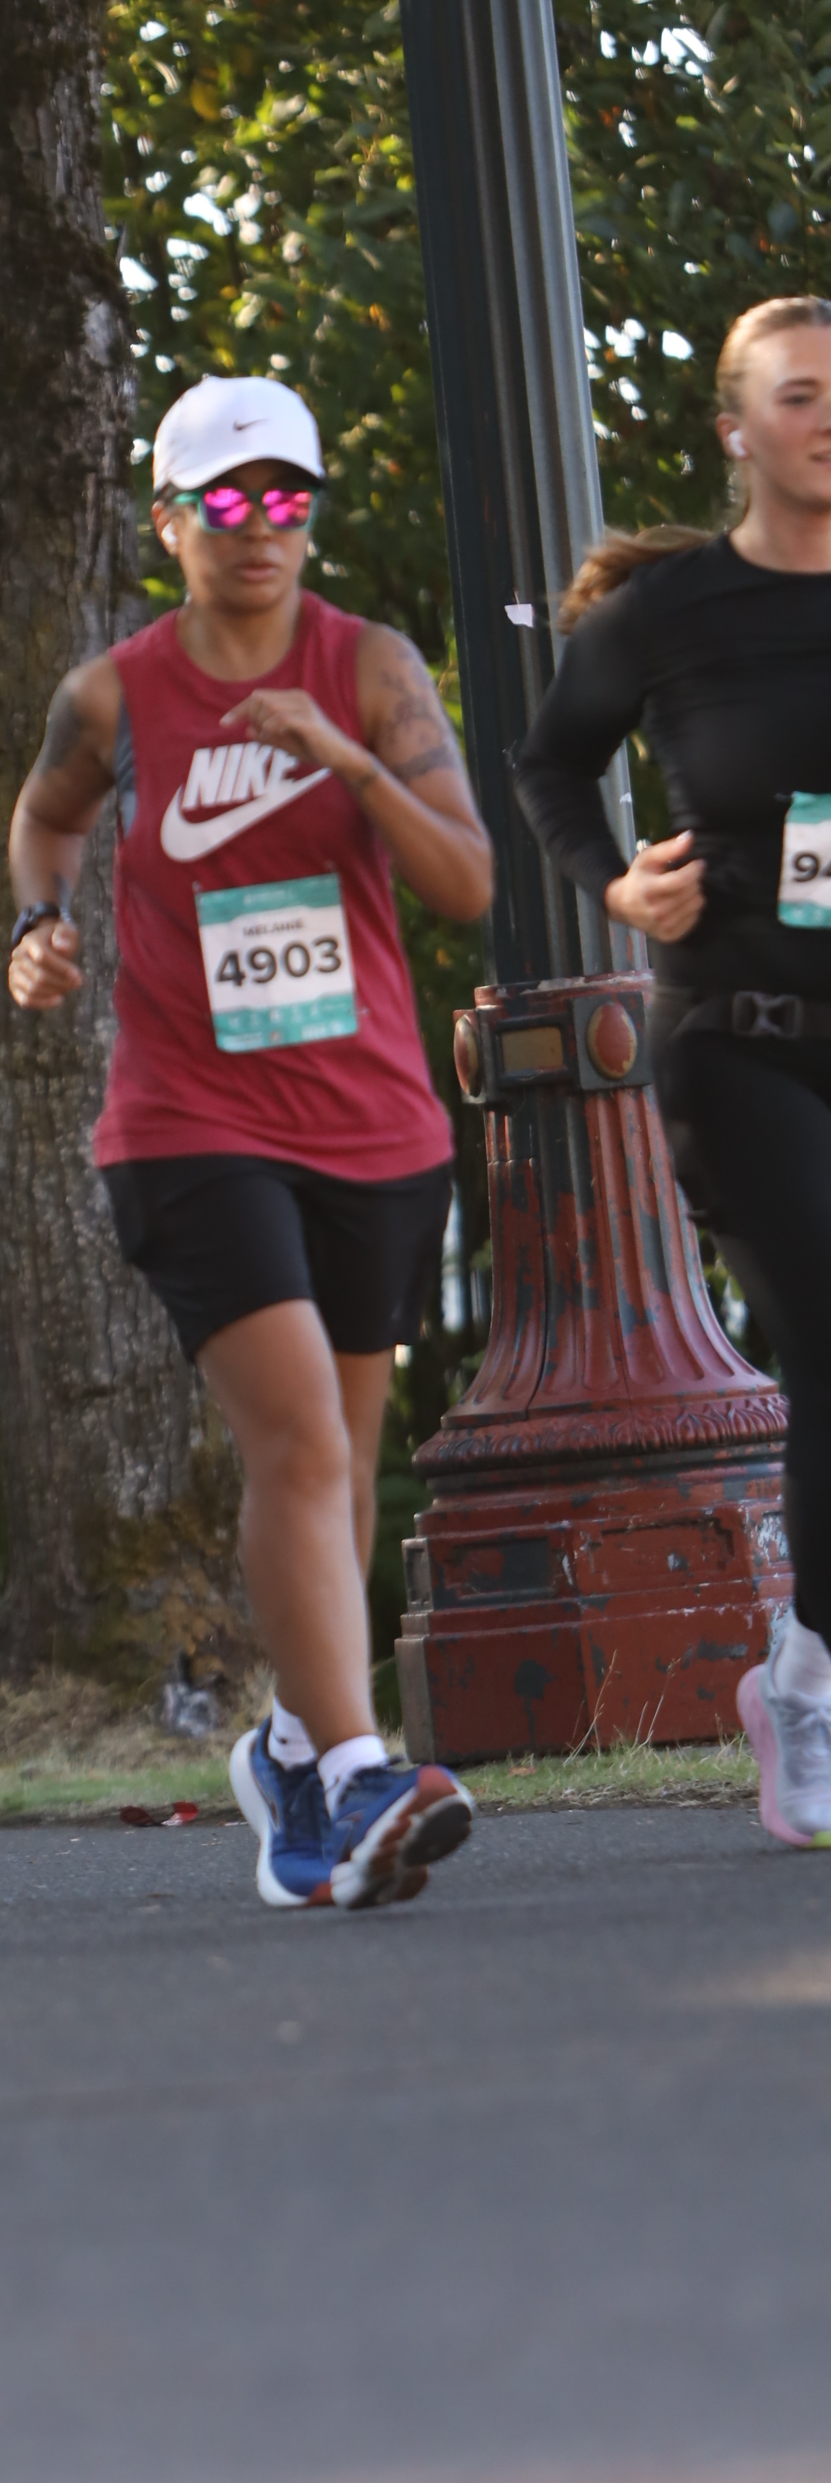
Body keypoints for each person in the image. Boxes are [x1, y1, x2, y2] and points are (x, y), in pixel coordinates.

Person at [8, 374, 495, 1908]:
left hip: (373, 1121)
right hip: (189, 1123)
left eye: (286, 496)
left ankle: (289, 1748)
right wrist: (37, 923)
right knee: (295, 1441)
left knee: (342, 1465)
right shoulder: (114, 694)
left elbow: (466, 884)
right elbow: (45, 819)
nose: (259, 526)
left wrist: (344, 756)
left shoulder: (371, 667)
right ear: (170, 523)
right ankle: (357, 1775)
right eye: (226, 500)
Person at [515, 294, 831, 1850]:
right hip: (743, 1044)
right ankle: (813, 1689)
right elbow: (550, 762)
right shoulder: (670, 613)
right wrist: (616, 887)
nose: (827, 420)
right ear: (736, 430)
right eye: (799, 396)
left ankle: (798, 1671)